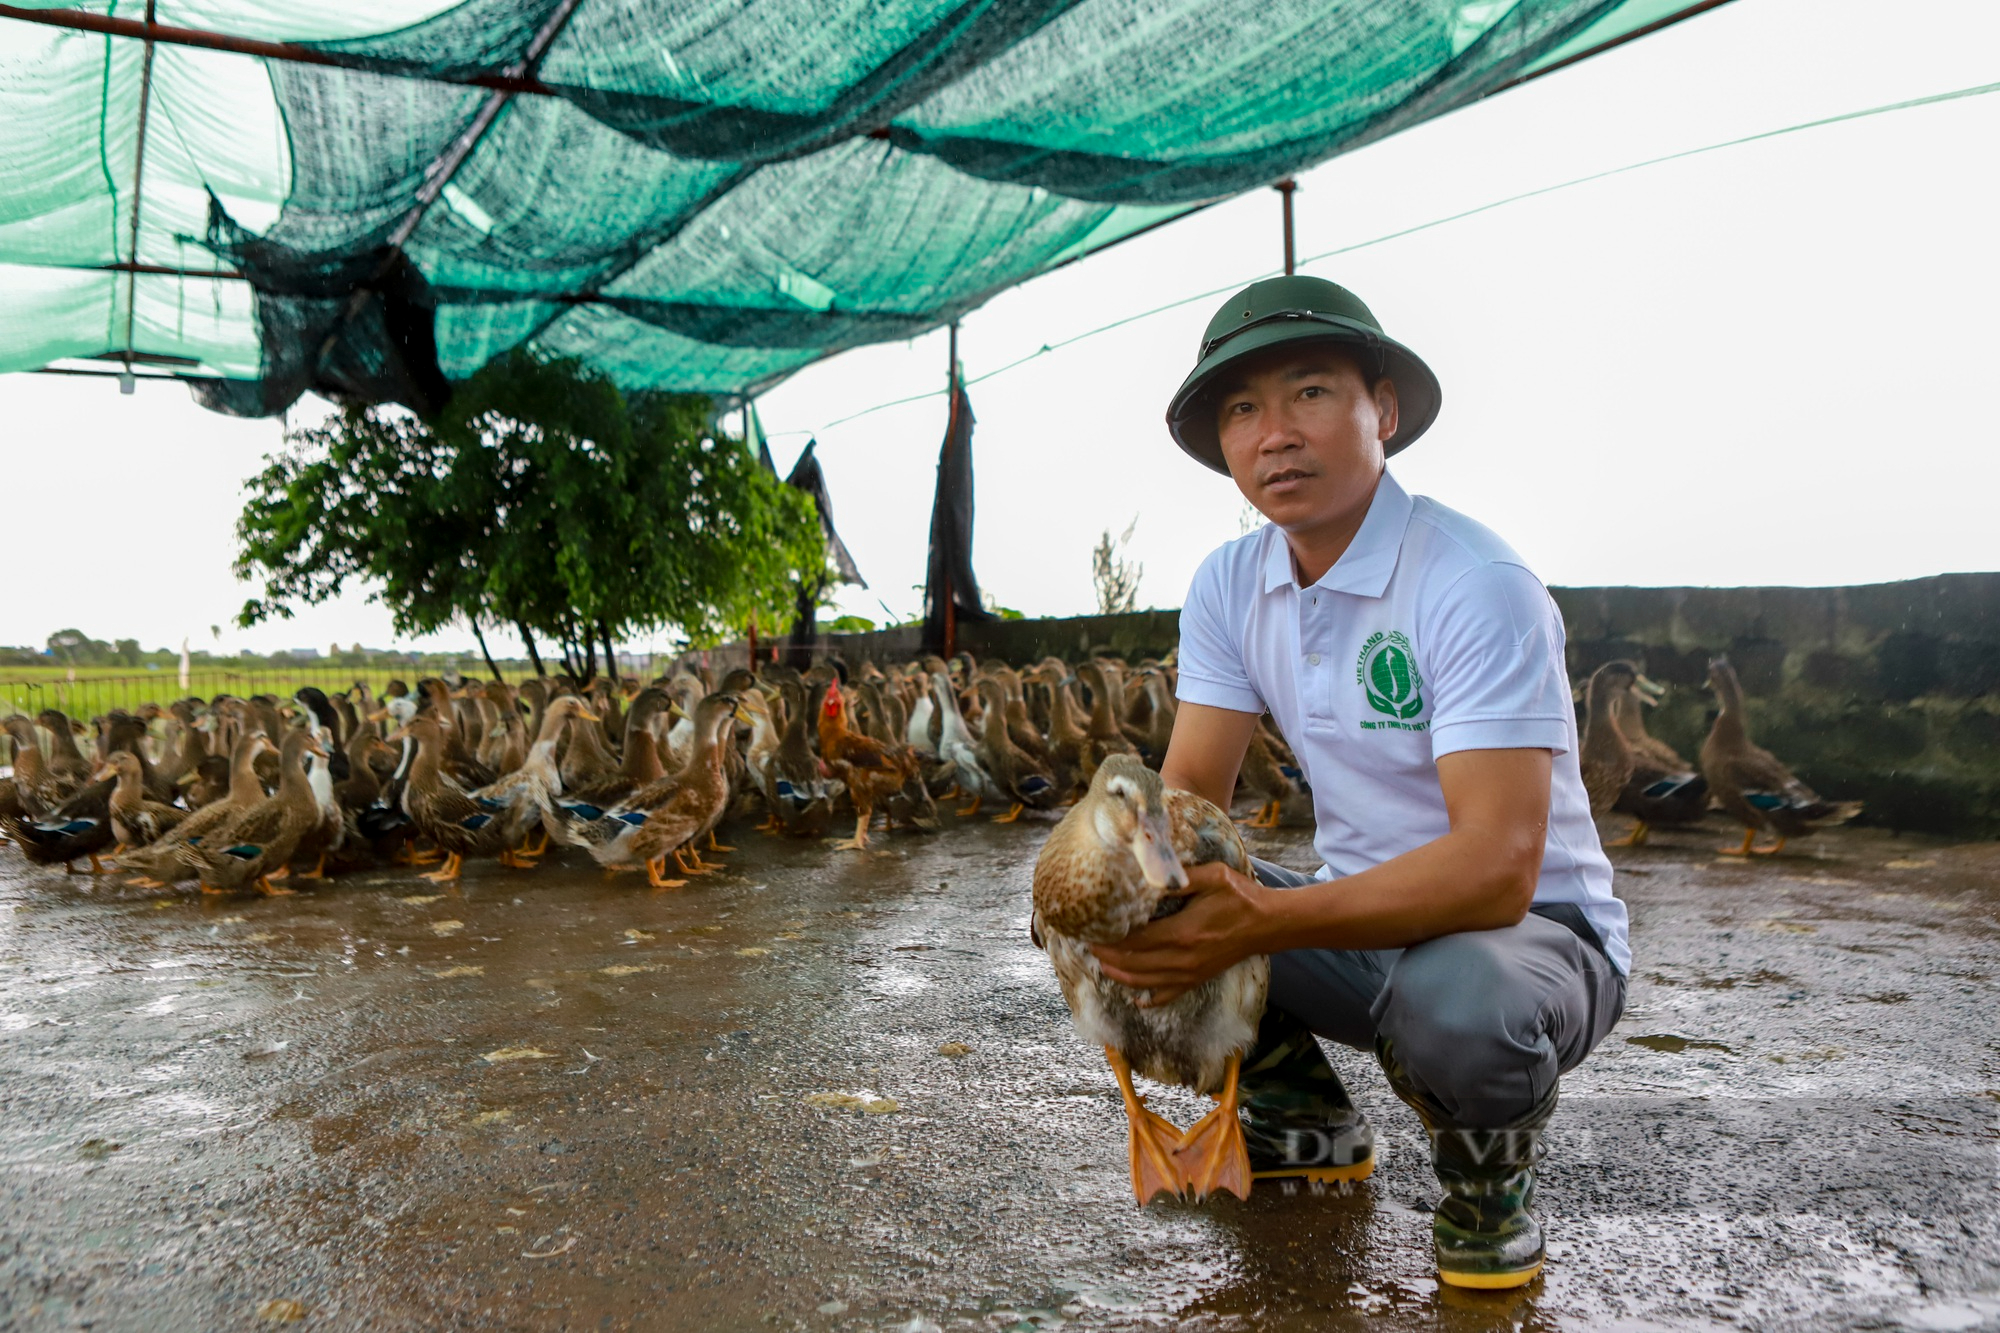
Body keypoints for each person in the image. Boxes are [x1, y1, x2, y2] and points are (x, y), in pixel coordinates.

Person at [1090, 276, 1628, 1290]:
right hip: (1359, 927)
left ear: (1379, 409)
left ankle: (1484, 1184)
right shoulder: (1228, 582)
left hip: (1529, 937)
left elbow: (1495, 871)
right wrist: (1111, 887)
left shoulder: (1470, 581)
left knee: (1457, 1002)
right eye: (1241, 408)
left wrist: (1253, 922)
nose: (1273, 434)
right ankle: (1303, 1117)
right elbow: (1187, 799)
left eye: (1307, 393)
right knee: (1120, 911)